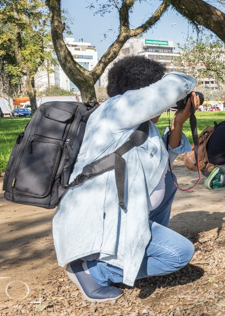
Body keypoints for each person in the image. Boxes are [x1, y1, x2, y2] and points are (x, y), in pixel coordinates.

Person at [53, 56, 200, 302]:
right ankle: (91, 270)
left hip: (124, 212)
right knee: (179, 253)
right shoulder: (116, 109)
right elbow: (174, 85)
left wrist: (178, 123)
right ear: (143, 91)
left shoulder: (137, 121)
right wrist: (186, 84)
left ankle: (131, 251)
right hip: (100, 218)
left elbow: (162, 165)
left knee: (167, 185)